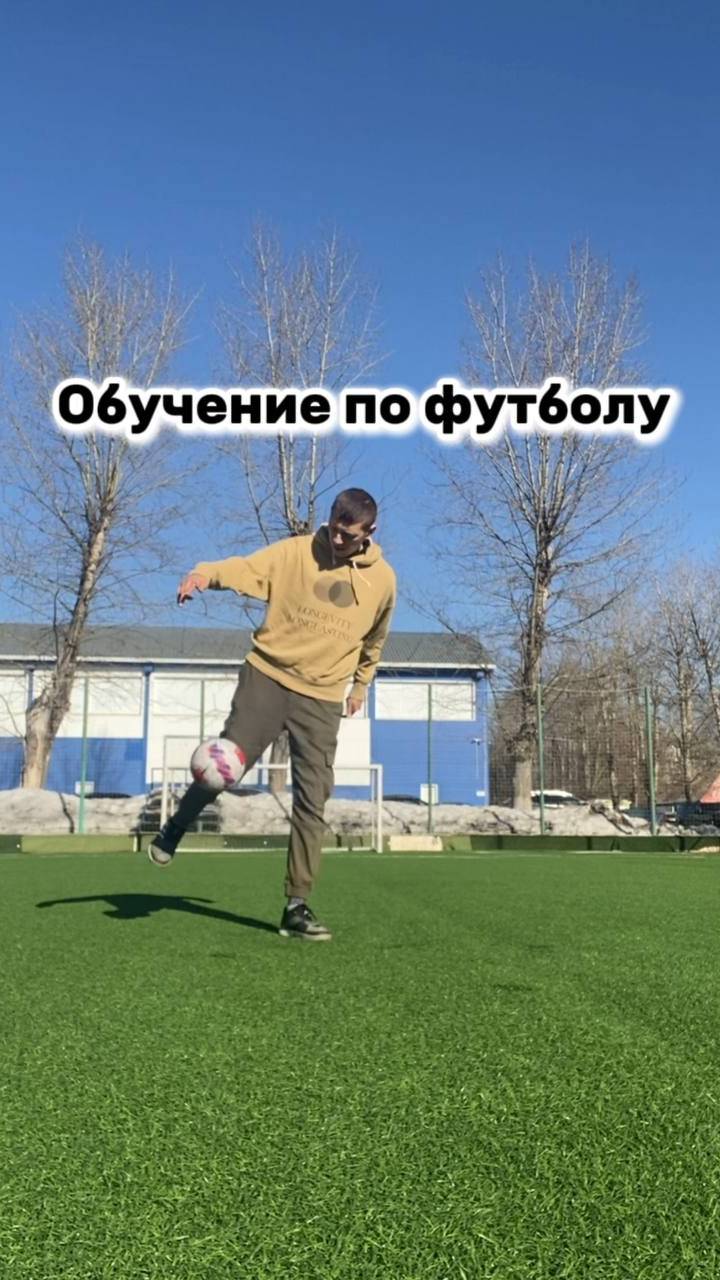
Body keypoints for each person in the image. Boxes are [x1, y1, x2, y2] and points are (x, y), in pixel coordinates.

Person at [149, 488, 396, 942]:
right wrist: (205, 574)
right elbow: (246, 569)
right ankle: (176, 826)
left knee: (313, 799)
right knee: (223, 769)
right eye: (334, 530)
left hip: (322, 696)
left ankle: (296, 904)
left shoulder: (383, 580)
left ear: (370, 532)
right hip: (267, 676)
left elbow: (375, 640)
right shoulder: (295, 553)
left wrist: (361, 684)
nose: (338, 540)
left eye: (349, 535)